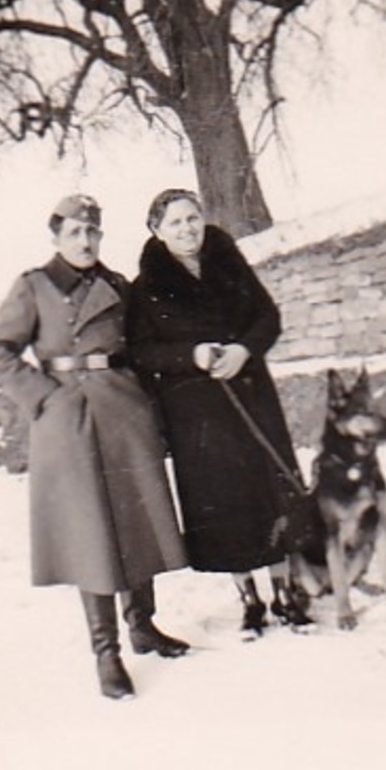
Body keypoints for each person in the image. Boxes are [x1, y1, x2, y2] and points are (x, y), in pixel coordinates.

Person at [0, 194, 189, 700]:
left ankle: (143, 625)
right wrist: (46, 398)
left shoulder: (117, 285)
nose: (85, 240)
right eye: (74, 232)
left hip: (125, 412)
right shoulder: (34, 286)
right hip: (68, 420)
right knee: (91, 534)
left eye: (92, 231)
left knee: (138, 521)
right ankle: (106, 654)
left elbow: (141, 348)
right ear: (56, 237)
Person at [126, 188, 314, 635]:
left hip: (251, 395)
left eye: (193, 218)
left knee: (270, 489)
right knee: (225, 501)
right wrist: (191, 355)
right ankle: (249, 599)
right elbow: (141, 351)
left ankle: (286, 591)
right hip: (198, 413)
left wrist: (244, 349)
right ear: (156, 230)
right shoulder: (146, 287)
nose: (188, 229)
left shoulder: (229, 263)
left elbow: (267, 316)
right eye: (175, 222)